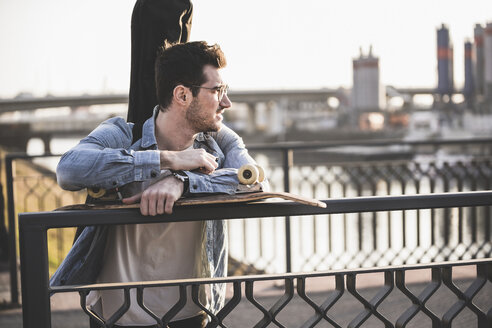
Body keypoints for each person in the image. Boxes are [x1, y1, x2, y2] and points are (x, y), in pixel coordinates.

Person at [52, 41, 266, 327]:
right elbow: (69, 170)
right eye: (217, 91)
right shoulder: (121, 134)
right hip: (118, 318)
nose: (226, 102)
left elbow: (256, 182)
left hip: (191, 315)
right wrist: (167, 160)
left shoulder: (222, 142)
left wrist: (182, 182)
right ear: (182, 95)